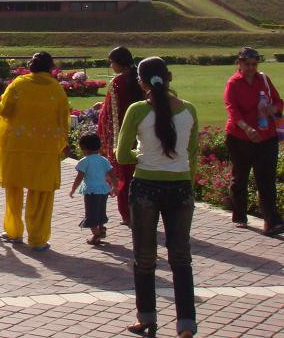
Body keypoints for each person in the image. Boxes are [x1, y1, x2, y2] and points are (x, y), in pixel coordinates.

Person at [116, 57, 199, 338]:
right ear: (170, 77)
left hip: (147, 186)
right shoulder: (188, 110)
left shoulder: (138, 110)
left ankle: (147, 318)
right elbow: (193, 153)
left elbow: (121, 154)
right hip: (180, 187)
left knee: (145, 257)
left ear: (141, 82)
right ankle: (186, 324)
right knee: (181, 258)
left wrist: (142, 156)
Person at [0, 51, 69, 251]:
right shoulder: (57, 90)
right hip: (45, 149)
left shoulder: (18, 85)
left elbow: (4, 112)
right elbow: (63, 121)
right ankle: (38, 239)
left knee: (14, 190)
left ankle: (14, 232)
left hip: (16, 147)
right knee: (40, 194)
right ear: (50, 67)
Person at [223, 46, 283, 235]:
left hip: (266, 136)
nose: (250, 68)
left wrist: (272, 109)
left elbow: (279, 102)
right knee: (240, 176)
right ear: (239, 63)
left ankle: (271, 221)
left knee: (266, 179)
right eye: (246, 64)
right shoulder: (234, 83)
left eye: (254, 64)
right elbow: (232, 109)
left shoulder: (263, 80)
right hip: (240, 136)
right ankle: (239, 214)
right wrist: (247, 129)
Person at [97, 46, 141, 225]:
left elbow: (110, 113)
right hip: (142, 133)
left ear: (119, 63)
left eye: (112, 62)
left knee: (124, 175)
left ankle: (127, 214)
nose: (111, 65)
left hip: (123, 135)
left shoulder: (118, 82)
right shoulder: (139, 78)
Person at [70, 133, 118, 246]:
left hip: (91, 191)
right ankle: (101, 228)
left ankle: (96, 235)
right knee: (101, 211)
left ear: (83, 148)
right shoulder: (103, 160)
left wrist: (72, 189)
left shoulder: (84, 161)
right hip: (103, 190)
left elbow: (79, 178)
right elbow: (112, 174)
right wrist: (115, 186)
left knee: (91, 214)